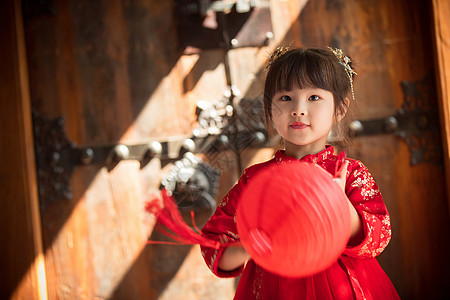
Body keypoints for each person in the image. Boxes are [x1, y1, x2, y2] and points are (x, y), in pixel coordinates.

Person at [200, 47, 400, 299]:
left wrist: (342, 209)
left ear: (339, 108)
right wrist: (247, 248)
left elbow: (378, 238)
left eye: (314, 97)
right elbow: (213, 247)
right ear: (270, 109)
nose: (298, 109)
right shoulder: (254, 181)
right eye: (285, 98)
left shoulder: (350, 173)